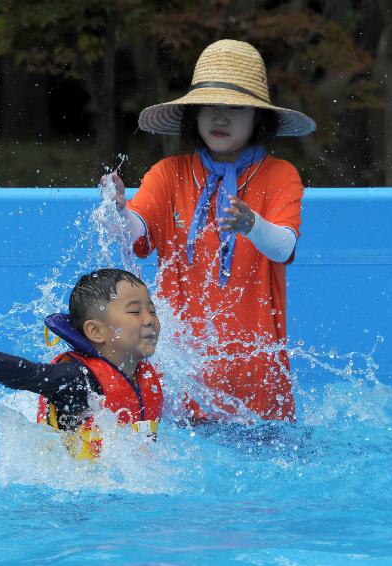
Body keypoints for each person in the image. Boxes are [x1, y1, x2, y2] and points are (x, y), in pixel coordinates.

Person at [105, 39, 315, 423]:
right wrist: (118, 211)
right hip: (181, 376)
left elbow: (285, 247)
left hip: (257, 378)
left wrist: (252, 225)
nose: (220, 117)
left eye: (234, 108)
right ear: (194, 115)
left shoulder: (279, 174)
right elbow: (135, 230)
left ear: (258, 117)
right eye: (210, 107)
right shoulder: (169, 173)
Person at [0, 268, 162, 460]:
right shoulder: (76, 378)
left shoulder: (144, 377)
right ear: (96, 331)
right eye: (135, 312)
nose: (149, 320)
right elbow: (26, 374)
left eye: (151, 310)